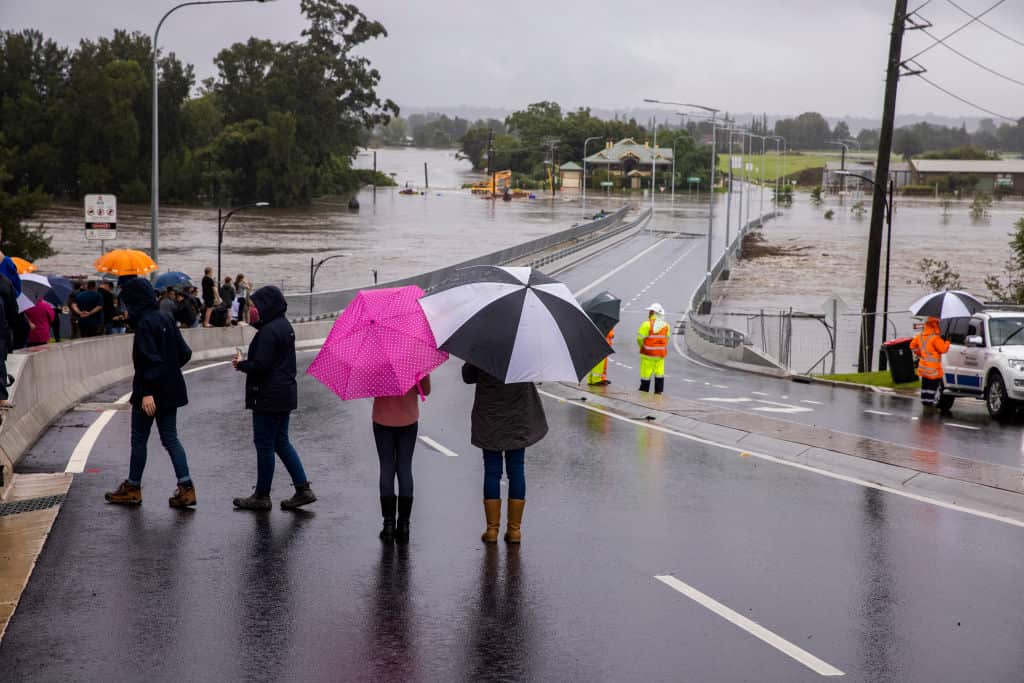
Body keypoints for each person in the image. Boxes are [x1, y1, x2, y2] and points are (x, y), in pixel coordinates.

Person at [105, 278, 196, 507]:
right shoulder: (165, 317)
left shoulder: (145, 323)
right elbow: (184, 353)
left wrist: (147, 392)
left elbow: (147, 361)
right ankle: (186, 488)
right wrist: (169, 372)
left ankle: (133, 487)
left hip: (150, 394)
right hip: (171, 390)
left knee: (139, 440)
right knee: (171, 439)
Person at [232, 285, 316, 511]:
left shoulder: (268, 332)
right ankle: (302, 488)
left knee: (265, 445)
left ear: (266, 306)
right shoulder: (283, 326)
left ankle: (262, 495)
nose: (251, 310)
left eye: (254, 306)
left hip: (268, 396)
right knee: (280, 441)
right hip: (284, 394)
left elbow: (261, 366)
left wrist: (241, 364)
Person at [462, 362, 548, 544]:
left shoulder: (483, 348)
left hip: (490, 417)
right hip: (518, 418)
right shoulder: (524, 350)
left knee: (492, 471)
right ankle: (514, 530)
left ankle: (492, 530)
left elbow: (467, 377)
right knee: (516, 470)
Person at [372, 376, 430, 543]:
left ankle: (388, 524)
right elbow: (425, 390)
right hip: (408, 418)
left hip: (382, 419)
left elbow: (371, 388)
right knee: (405, 467)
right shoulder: (415, 357)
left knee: (386, 466)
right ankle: (404, 525)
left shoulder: (376, 357)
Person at [910, 316, 951, 413]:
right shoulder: (935, 338)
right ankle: (929, 406)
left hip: (923, 368)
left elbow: (912, 346)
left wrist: (919, 353)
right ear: (935, 325)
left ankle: (925, 405)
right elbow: (943, 349)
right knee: (932, 388)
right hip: (933, 369)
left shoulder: (920, 336)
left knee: (925, 388)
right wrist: (948, 342)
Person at [636, 302, 669, 394]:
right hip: (660, 355)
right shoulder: (666, 325)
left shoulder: (646, 324)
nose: (649, 313)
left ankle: (644, 391)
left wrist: (643, 347)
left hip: (648, 355)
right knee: (659, 373)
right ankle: (658, 392)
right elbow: (667, 339)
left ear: (653, 313)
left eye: (650, 311)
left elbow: (639, 338)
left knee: (646, 374)